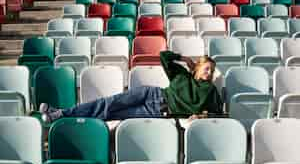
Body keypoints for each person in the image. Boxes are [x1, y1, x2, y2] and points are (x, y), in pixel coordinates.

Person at [40, 50, 223, 123]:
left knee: (111, 114)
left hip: (159, 111)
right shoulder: (182, 74)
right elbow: (163, 56)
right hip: (151, 93)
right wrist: (184, 59)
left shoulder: (211, 91)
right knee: (106, 104)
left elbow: (219, 113)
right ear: (197, 69)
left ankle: (63, 118)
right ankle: (62, 113)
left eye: (212, 71)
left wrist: (200, 115)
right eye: (207, 69)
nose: (209, 73)